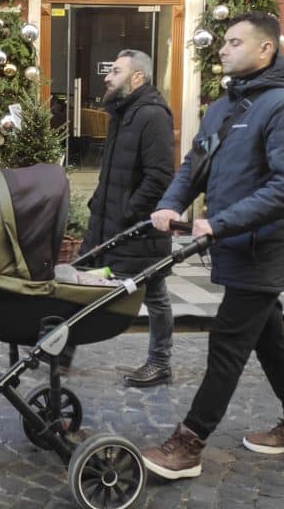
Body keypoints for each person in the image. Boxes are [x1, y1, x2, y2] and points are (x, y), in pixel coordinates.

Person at [143, 12, 284, 480]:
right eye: (223, 41)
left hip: (265, 248)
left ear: (266, 49)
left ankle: (189, 442)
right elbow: (194, 164)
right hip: (234, 242)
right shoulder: (224, 106)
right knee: (268, 336)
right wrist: (170, 204)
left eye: (234, 42)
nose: (222, 49)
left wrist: (219, 223)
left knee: (228, 340)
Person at [67, 49, 176, 387]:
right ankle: (61, 351)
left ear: (137, 77)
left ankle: (160, 362)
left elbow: (159, 176)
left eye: (116, 71)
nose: (107, 77)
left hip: (136, 229)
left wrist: (130, 212)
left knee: (154, 295)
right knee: (81, 282)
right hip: (107, 222)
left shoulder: (153, 115)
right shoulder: (122, 112)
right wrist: (99, 205)